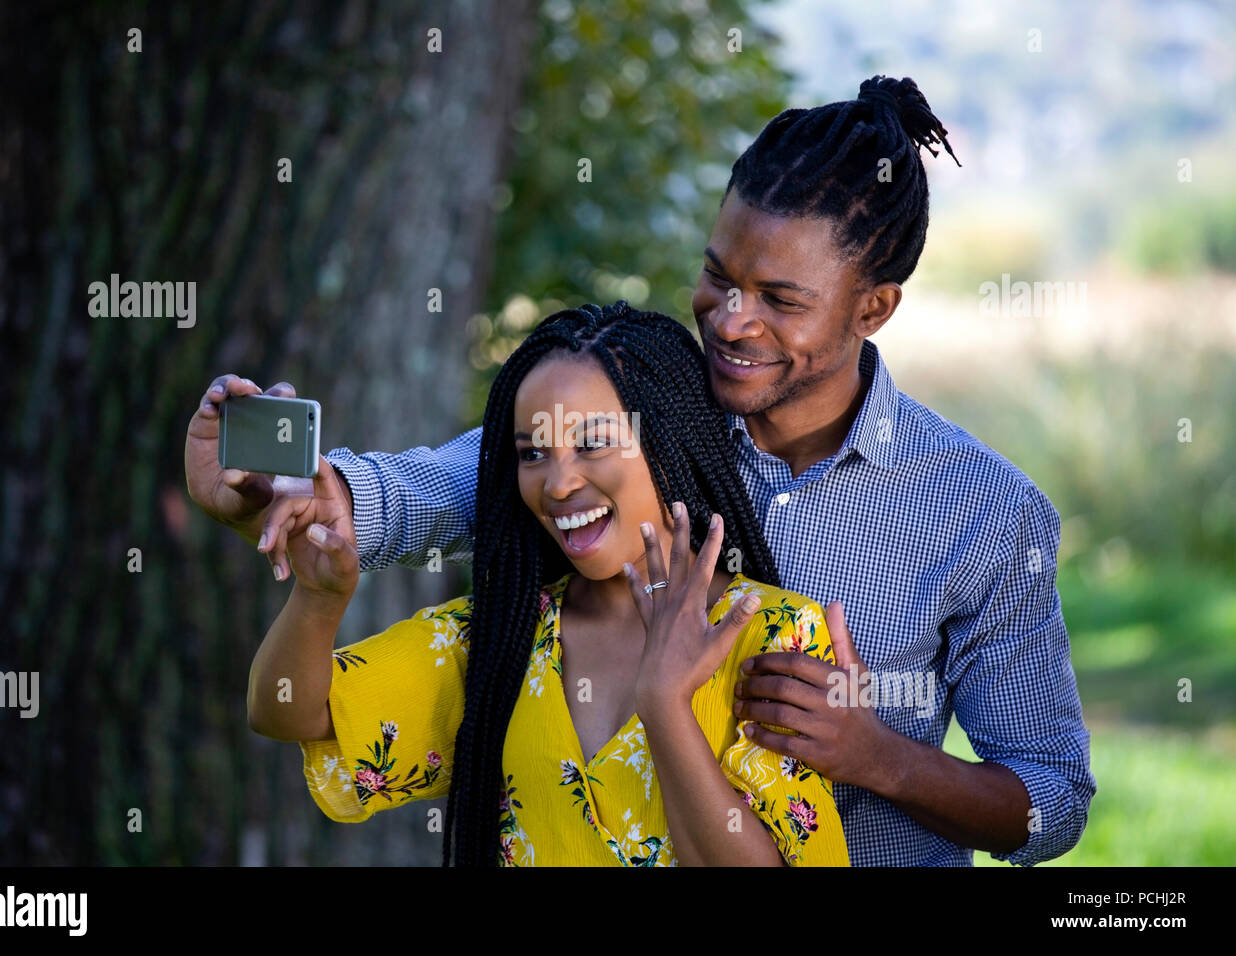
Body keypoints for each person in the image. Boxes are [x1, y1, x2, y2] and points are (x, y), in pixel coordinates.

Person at [185, 75, 1095, 865]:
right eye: (717, 276)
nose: (732, 321)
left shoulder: (983, 514)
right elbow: (445, 488)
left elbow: (1053, 802)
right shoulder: (640, 407)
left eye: (780, 300)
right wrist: (289, 494)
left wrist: (876, 755)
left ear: (876, 307)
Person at [244, 303, 850, 866]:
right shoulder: (506, 634)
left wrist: (666, 703)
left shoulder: (770, 630)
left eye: (593, 444)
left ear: (670, 442)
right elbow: (288, 713)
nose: (558, 484)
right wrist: (318, 602)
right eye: (533, 454)